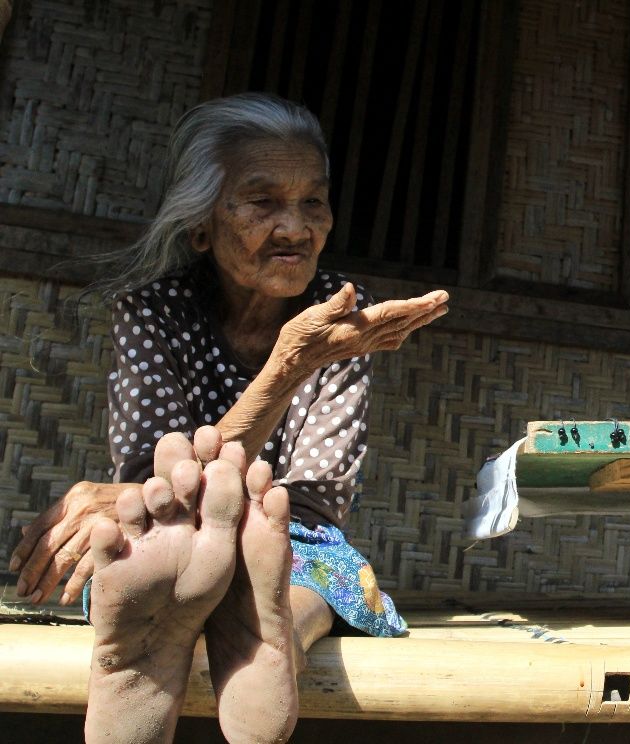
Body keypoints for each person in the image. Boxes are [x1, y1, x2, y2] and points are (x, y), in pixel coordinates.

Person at [7, 92, 449, 743]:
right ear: (201, 226)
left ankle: (251, 633)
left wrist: (301, 357)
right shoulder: (156, 309)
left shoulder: (340, 311)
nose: (297, 228)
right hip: (171, 530)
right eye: (264, 201)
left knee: (291, 574)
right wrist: (289, 367)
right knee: (152, 545)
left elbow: (317, 501)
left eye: (313, 201)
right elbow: (156, 482)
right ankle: (201, 632)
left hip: (289, 537)